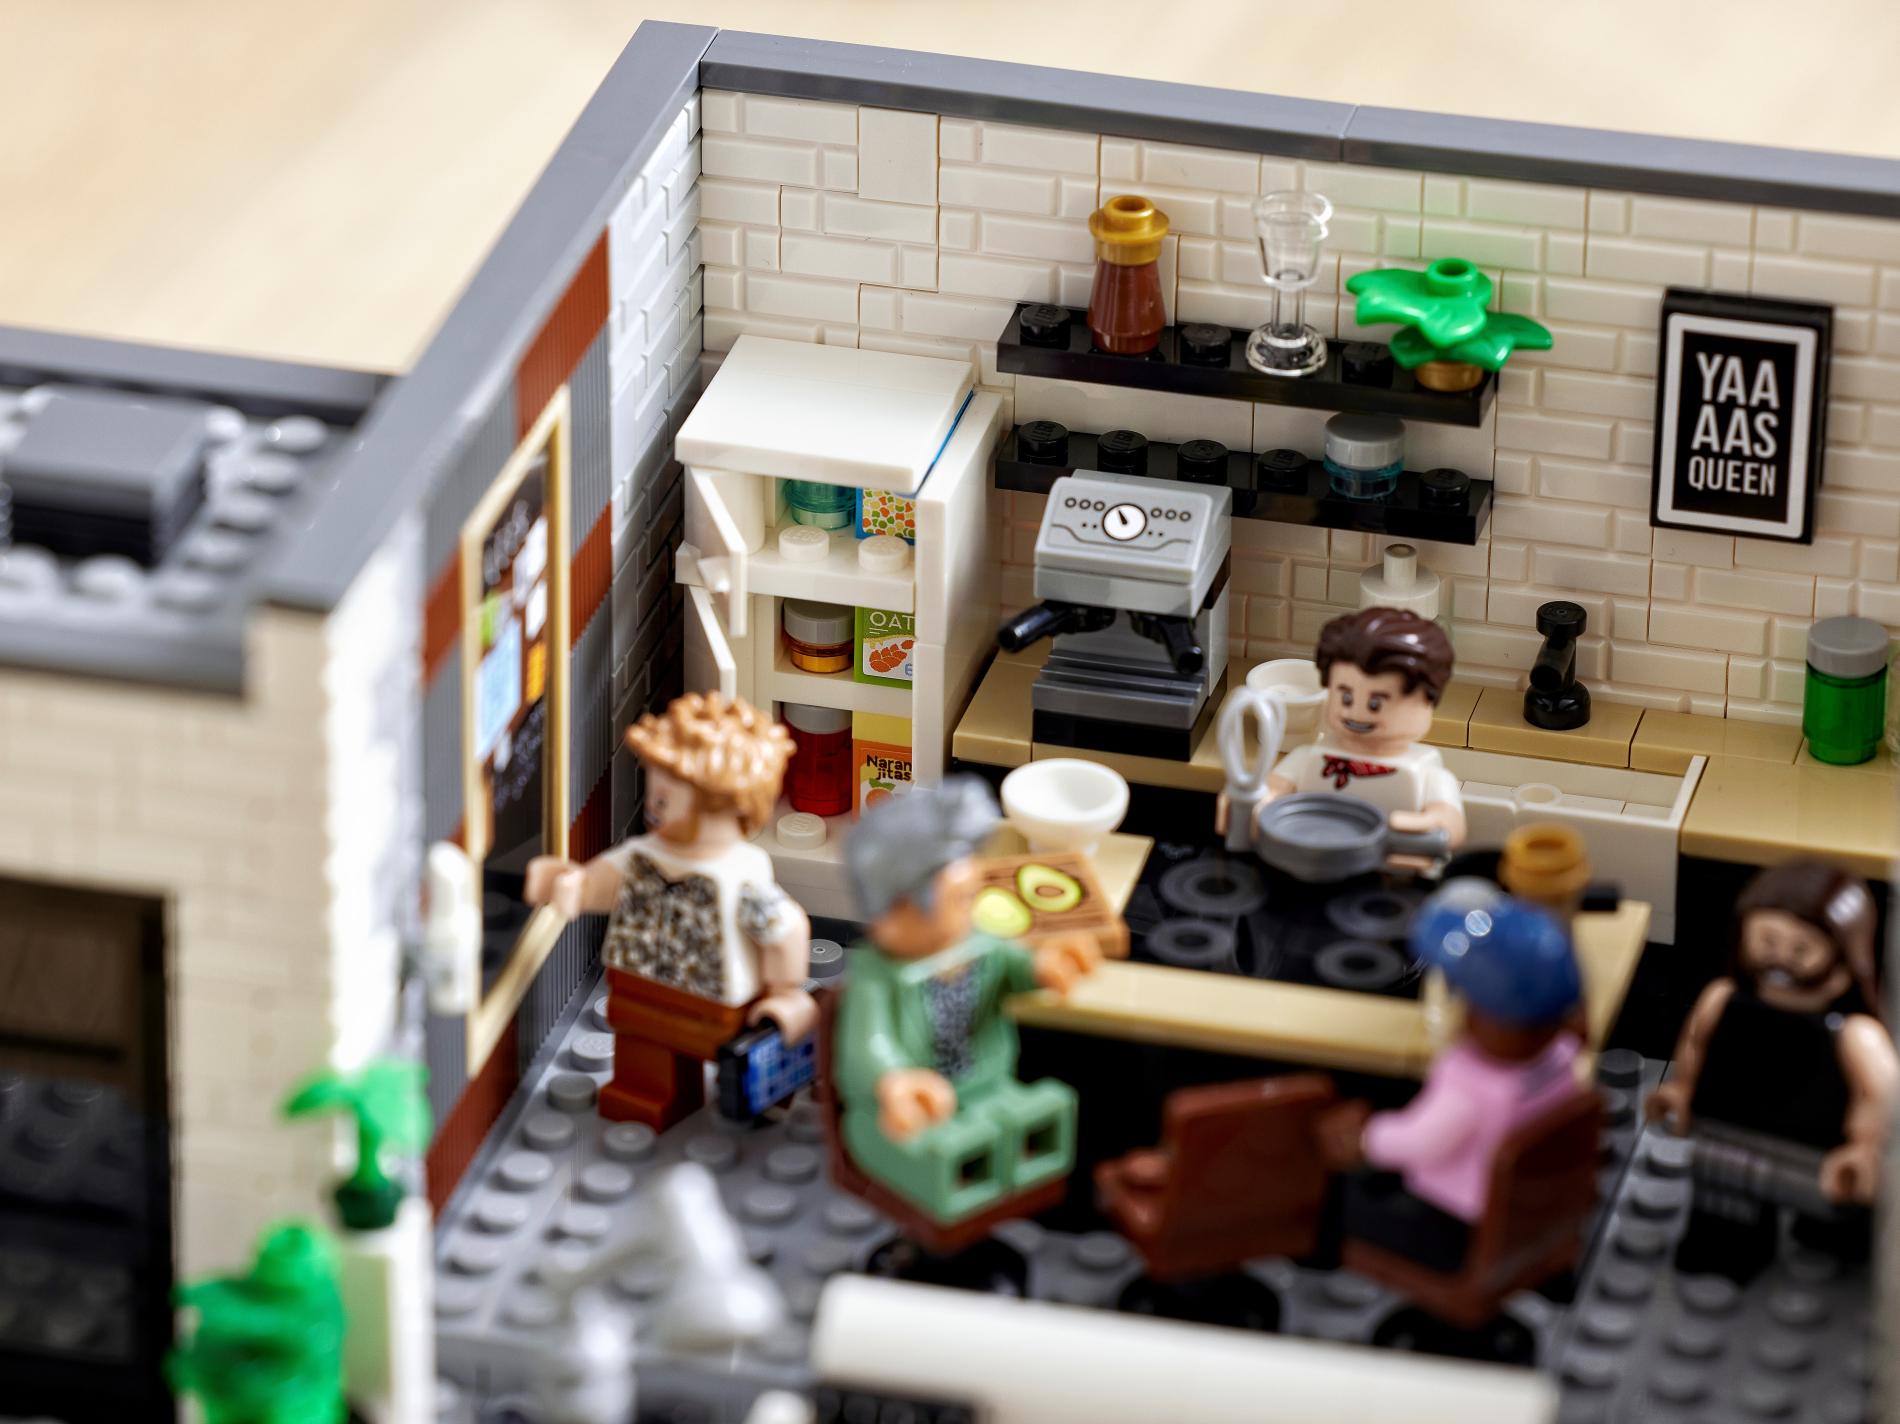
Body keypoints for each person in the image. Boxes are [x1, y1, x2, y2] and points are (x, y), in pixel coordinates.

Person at [525, 692, 813, 1128]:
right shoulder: (644, 855)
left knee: (740, 1066)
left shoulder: (739, 873)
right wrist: (574, 886)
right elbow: (605, 881)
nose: (653, 808)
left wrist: (783, 992)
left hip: (718, 1002)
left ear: (727, 806)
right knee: (645, 1055)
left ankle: (756, 1098)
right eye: (654, 795)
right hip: (638, 984)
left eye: (665, 799)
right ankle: (648, 1094)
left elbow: (783, 930)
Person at [834, 778, 1099, 1225]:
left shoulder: (978, 945)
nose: (970, 910)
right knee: (946, 1157)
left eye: (971, 896)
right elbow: (868, 1044)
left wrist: (1045, 965)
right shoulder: (876, 979)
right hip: (906, 1113)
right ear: (896, 913)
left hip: (989, 1087)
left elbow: (1014, 966)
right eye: (959, 899)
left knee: (1030, 1125)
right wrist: (894, 1081)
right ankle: (945, 1238)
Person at [1647, 859, 1897, 1281]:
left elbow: (1879, 1095)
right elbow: (1695, 1045)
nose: (1781, 960)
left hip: (1820, 1155)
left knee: (1835, 1229)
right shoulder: (1722, 1000)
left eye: (1801, 950)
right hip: (1731, 1138)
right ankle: (1725, 1256)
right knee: (1723, 1220)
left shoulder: (1855, 1036)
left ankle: (1830, 1254)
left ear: (1844, 957)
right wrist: (1683, 1090)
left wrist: (1865, 1147)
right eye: (1767, 941)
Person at [1319, 885, 1589, 1271]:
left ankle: (1322, 1262)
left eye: (1473, 1005)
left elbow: (1420, 1140)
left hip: (1456, 1228)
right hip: (1530, 1210)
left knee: (1342, 1195)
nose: (1465, 1015)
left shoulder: (1471, 1089)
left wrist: (1363, 1137)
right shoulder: (1562, 1056)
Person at [1222, 606, 1465, 851]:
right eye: (1346, 698)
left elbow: (1449, 823)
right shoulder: (1307, 757)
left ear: (1427, 702)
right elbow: (1273, 786)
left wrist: (1419, 827)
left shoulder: (1430, 776)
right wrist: (1256, 802)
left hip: (1389, 864)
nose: (1356, 713)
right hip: (1307, 855)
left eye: (1375, 704)